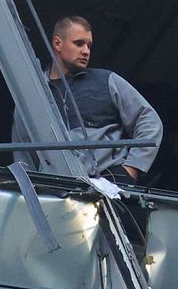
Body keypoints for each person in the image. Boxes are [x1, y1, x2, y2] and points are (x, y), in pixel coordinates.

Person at [11, 16, 162, 181]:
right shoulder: (33, 93)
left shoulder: (107, 80)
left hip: (109, 185)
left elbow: (149, 121)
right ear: (57, 44)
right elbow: (23, 150)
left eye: (89, 45)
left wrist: (132, 168)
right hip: (55, 191)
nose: (86, 51)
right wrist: (32, 186)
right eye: (79, 43)